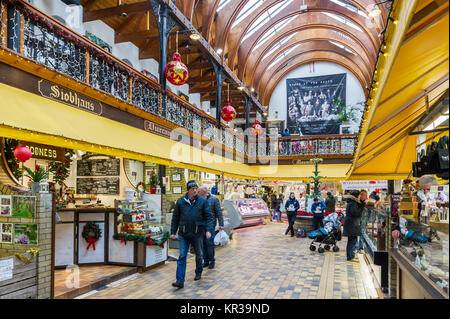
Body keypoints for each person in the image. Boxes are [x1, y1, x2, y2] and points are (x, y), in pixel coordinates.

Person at [170, 181, 214, 288]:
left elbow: (209, 217)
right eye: (192, 189)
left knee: (199, 255)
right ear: (188, 190)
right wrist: (173, 232)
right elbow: (175, 218)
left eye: (196, 188)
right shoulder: (180, 201)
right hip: (183, 234)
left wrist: (208, 230)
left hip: (197, 233)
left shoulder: (202, 201)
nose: (195, 190)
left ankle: (198, 272)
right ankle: (180, 280)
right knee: (182, 256)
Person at [197, 186, 224, 270]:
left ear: (203, 192)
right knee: (203, 243)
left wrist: (221, 223)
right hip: (201, 225)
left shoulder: (214, 200)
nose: (197, 193)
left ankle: (212, 260)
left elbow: (219, 212)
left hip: (210, 225)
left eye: (199, 191)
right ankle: (206, 260)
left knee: (209, 243)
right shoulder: (198, 199)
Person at [343, 190, 365, 262]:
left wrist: (361, 204)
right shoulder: (353, 203)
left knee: (352, 240)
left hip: (351, 223)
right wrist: (361, 207)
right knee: (352, 240)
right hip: (351, 224)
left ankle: (351, 256)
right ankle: (350, 257)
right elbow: (355, 213)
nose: (360, 196)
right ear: (356, 196)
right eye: (359, 195)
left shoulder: (352, 202)